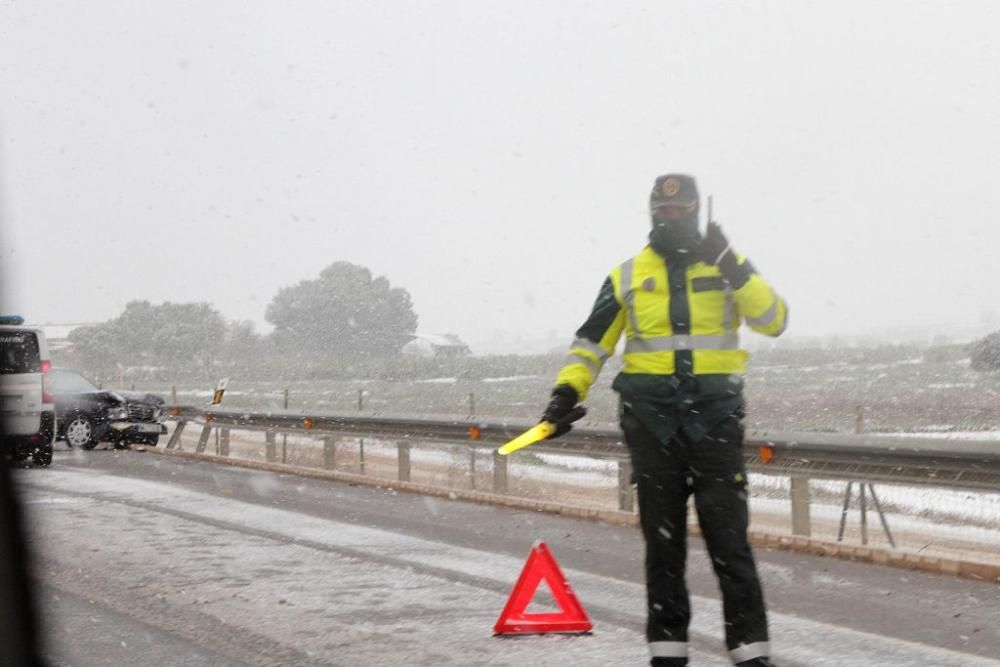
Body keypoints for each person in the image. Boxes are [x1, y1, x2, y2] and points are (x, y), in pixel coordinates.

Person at [541, 174, 787, 666]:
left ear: (696, 211)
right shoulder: (626, 275)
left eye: (678, 211)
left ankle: (751, 655)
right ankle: (668, 655)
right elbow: (591, 344)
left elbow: (773, 320)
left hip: (714, 423)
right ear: (651, 212)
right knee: (663, 549)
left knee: (730, 547)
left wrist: (732, 264)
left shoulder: (728, 267)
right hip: (652, 426)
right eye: (661, 211)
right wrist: (566, 390)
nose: (668, 218)